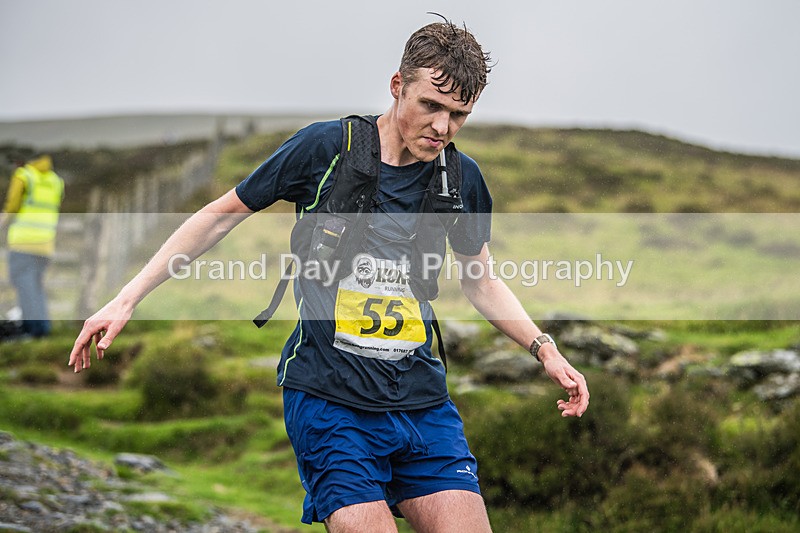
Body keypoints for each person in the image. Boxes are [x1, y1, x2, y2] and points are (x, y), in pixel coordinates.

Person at [69, 19, 589, 532]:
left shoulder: (462, 179)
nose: (441, 127)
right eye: (430, 105)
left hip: (420, 399)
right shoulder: (325, 149)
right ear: (397, 86)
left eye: (459, 114)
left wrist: (545, 349)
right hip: (329, 400)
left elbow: (481, 281)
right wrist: (126, 298)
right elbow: (220, 216)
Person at [1, 153, 65, 338]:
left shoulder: (24, 175)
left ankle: (31, 331)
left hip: (23, 242)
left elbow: (12, 207)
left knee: (24, 285)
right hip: (45, 244)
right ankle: (42, 329)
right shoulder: (55, 180)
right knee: (36, 286)